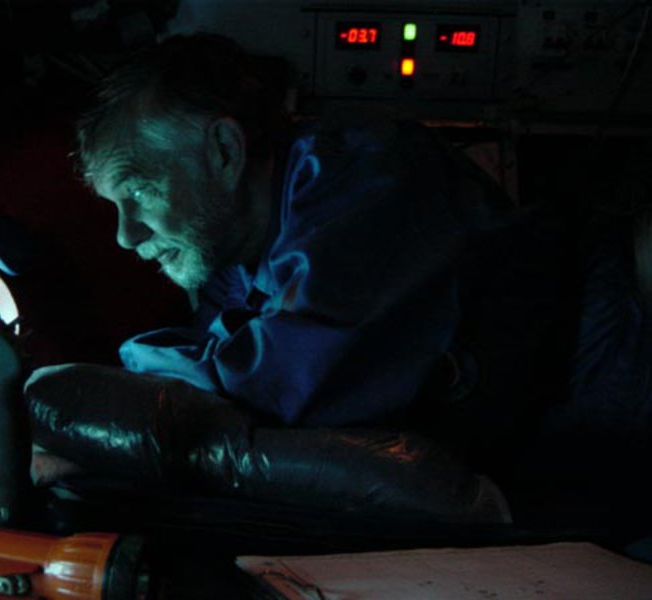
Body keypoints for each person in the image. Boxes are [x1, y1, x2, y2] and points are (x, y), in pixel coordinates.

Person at [74, 33, 562, 435]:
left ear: (223, 151)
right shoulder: (234, 257)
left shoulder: (365, 180)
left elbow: (282, 385)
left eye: (138, 191)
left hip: (593, 445)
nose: (125, 234)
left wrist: (102, 383)